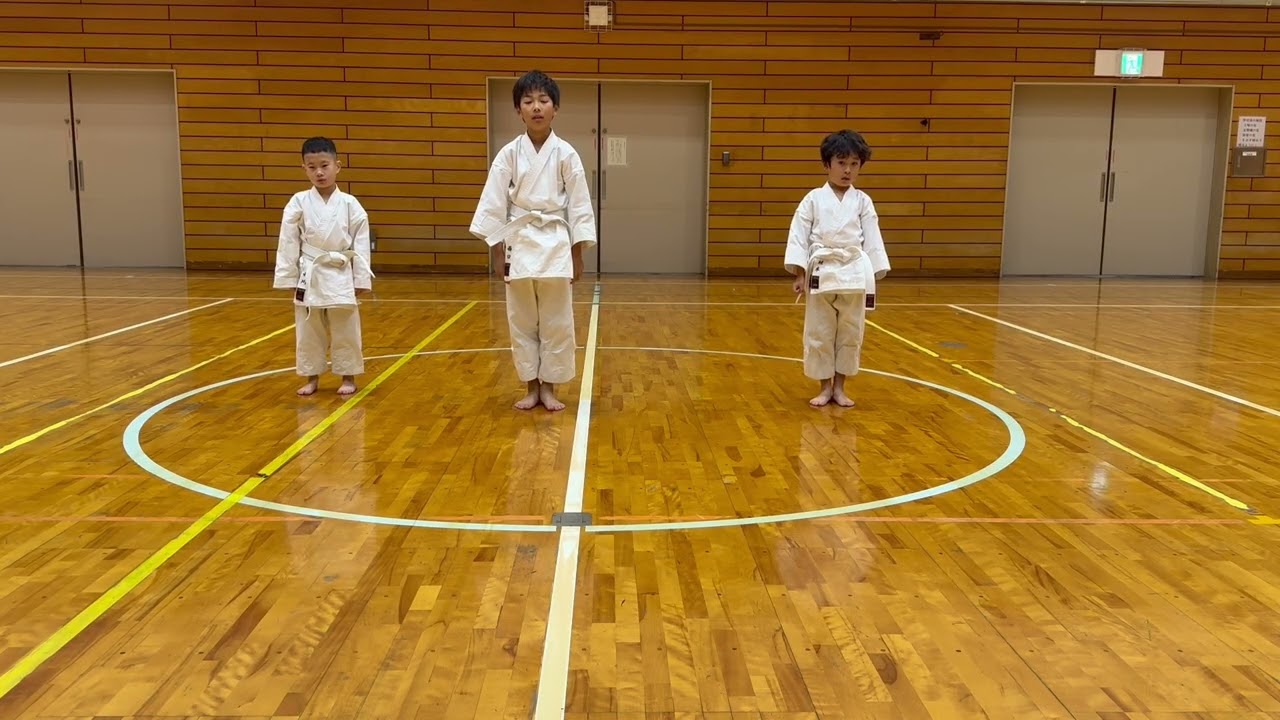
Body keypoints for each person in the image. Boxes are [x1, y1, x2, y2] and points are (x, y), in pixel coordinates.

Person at [470, 69, 597, 412]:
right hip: (519, 243)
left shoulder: (566, 154)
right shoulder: (508, 155)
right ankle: (530, 385)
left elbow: (580, 206)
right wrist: (497, 253)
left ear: (555, 108)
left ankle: (550, 387)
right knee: (522, 318)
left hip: (556, 243)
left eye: (543, 100)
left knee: (557, 319)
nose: (536, 107)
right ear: (518, 110)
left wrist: (578, 254)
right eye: (528, 101)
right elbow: (495, 204)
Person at [784, 129, 890, 408]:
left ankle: (840, 387)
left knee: (850, 332)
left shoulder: (863, 201)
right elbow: (799, 235)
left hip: (854, 272)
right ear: (827, 164)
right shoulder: (813, 199)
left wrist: (874, 274)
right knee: (819, 331)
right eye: (841, 163)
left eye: (854, 164)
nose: (847, 170)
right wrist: (799, 272)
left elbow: (873, 237)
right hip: (821, 271)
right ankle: (824, 387)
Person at [273, 136, 373, 397]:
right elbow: (288, 240)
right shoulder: (298, 202)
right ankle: (311, 377)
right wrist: (288, 277)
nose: (319, 172)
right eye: (312, 166)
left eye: (324, 165)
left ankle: (348, 376)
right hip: (310, 272)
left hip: (340, 270)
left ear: (337, 166)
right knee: (308, 328)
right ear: (303, 168)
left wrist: (361, 278)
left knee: (346, 327)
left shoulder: (350, 204)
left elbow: (361, 242)